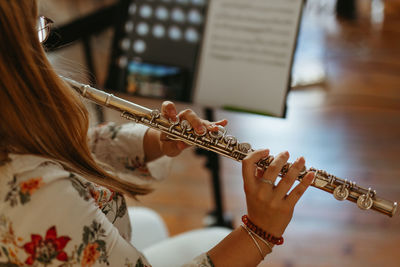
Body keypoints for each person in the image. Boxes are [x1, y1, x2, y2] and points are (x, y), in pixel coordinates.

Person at [0, 1, 315, 266]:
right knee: (213, 237)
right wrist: (259, 233)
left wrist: (156, 140)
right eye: (35, 32)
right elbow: (51, 184)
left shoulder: (14, 134)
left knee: (151, 223)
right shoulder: (38, 195)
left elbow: (76, 148)